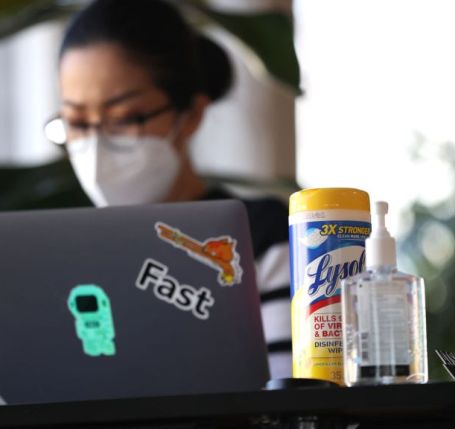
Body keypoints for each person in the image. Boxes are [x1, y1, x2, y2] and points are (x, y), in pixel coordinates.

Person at [56, 0, 291, 380]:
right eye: (77, 122)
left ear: (191, 115)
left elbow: (292, 399)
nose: (96, 147)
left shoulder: (260, 238)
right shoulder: (54, 256)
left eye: (125, 119)